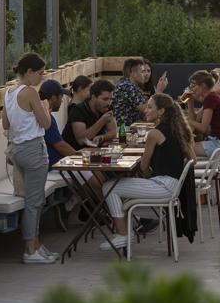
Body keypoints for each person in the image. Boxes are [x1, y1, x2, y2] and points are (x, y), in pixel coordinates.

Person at [100, 93, 196, 252]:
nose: (146, 109)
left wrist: (147, 176)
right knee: (120, 189)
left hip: (163, 187)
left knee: (109, 187)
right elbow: (193, 159)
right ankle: (128, 229)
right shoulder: (179, 129)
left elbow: (144, 168)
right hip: (175, 186)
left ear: (161, 111)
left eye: (150, 107)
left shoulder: (154, 134)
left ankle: (123, 234)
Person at [1, 52, 58, 264]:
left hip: (17, 151)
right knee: (34, 202)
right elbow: (46, 124)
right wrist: (44, 108)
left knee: (31, 200)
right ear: (29, 72)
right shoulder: (31, 93)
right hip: (34, 150)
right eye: (41, 73)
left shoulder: (8, 92)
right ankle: (30, 250)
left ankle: (35, 245)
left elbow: (6, 124)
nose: (42, 77)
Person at [184, 69, 220, 157]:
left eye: (193, 85)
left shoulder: (210, 99)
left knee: (185, 148)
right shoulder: (211, 97)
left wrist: (186, 121)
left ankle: (185, 170)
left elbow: (203, 127)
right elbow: (196, 119)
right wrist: (190, 103)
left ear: (203, 85)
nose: (191, 89)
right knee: (187, 145)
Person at [112, 57, 168, 127]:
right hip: (126, 130)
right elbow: (146, 108)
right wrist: (159, 91)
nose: (145, 74)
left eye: (147, 71)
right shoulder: (126, 86)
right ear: (133, 73)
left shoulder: (131, 85)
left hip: (134, 126)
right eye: (142, 71)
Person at [64, 78, 117, 148]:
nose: (108, 103)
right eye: (105, 99)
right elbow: (81, 140)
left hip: (95, 152)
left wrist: (102, 137)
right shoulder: (78, 110)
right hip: (76, 154)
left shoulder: (106, 107)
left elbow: (113, 133)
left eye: (111, 99)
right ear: (93, 97)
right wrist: (102, 121)